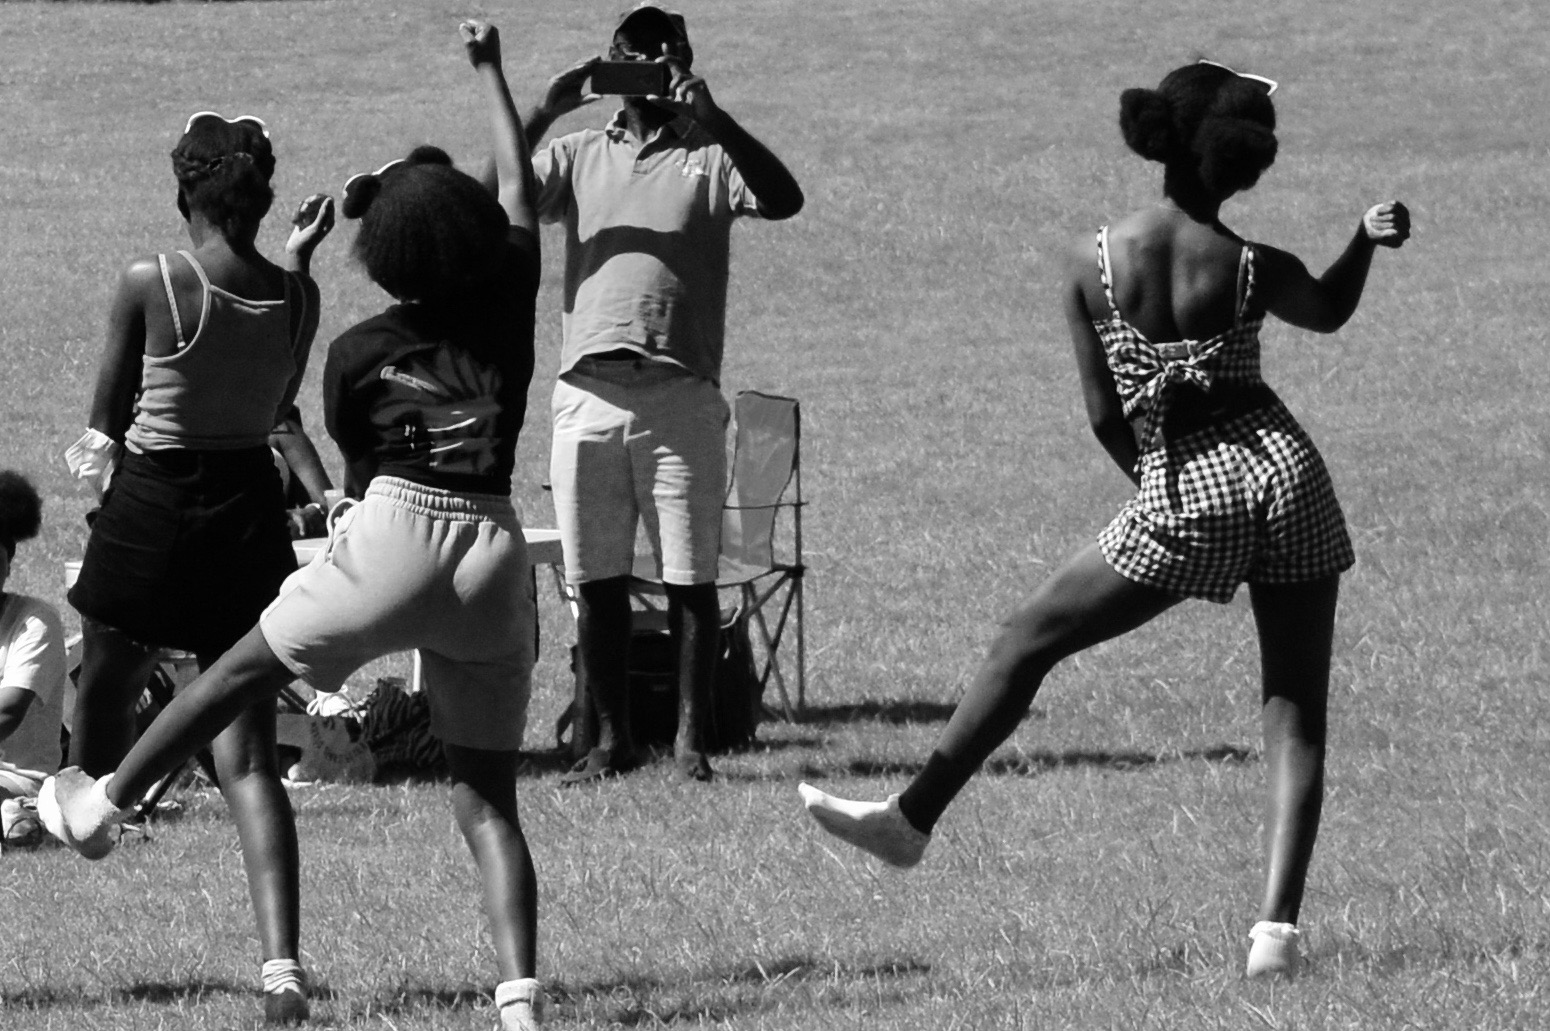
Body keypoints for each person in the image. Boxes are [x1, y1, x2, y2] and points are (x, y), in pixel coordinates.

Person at [799, 59, 1410, 980]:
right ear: (1239, 161)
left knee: (1024, 641)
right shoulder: (1253, 266)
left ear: (1161, 142)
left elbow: (1101, 415)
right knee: (1295, 717)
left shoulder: (1095, 265)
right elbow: (1327, 311)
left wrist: (1162, 485)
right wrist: (1362, 240)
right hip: (1286, 477)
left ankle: (911, 818)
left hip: (1181, 490)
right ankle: (1274, 935)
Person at [43, 21, 548, 1031]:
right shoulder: (506, 306)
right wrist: (493, 71)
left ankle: (104, 799)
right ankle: (519, 999)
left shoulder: (357, 345)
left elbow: (355, 463)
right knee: (487, 795)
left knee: (230, 673)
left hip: (382, 533)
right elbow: (517, 192)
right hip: (493, 550)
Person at [58, 108, 332, 1021]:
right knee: (248, 754)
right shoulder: (299, 296)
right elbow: (279, 405)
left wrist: (106, 503)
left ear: (184, 192)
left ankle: (90, 805)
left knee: (106, 671)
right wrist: (297, 260)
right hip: (247, 514)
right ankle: (283, 969)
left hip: (153, 502)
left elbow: (105, 422)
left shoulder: (155, 279)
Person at [525, 3, 804, 784]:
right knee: (597, 578)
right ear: (610, 65)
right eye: (631, 58)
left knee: (691, 578)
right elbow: (494, 199)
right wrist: (543, 112)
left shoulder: (711, 157)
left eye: (660, 59)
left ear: (682, 62)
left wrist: (718, 121)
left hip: (680, 394)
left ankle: (690, 743)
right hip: (588, 391)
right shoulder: (579, 151)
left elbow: (785, 199)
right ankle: (609, 739)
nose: (645, 74)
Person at [0, 471, 67, 852]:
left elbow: (8, 713)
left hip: (17, 778)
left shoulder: (34, 622)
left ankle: (20, 815)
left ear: (8, 562)